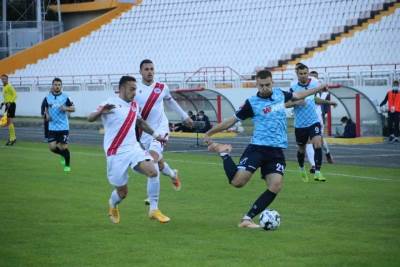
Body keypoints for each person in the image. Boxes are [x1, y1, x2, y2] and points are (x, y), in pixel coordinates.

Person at [204, 70, 329, 228]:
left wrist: (319, 88)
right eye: (261, 85)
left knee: (276, 185)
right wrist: (210, 132)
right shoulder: (252, 103)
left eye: (267, 85)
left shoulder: (280, 94)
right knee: (237, 182)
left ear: (272, 83)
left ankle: (247, 219)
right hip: (257, 148)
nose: (265, 88)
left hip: (276, 151)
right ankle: (223, 152)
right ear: (256, 84)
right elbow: (232, 120)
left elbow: (299, 95)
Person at [88, 76, 168, 224]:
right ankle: (113, 205)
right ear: (123, 88)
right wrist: (100, 112)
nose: (135, 92)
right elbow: (90, 117)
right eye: (132, 89)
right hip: (115, 153)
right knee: (122, 192)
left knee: (153, 170)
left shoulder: (134, 106)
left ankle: (154, 209)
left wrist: (157, 135)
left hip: (133, 148)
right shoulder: (109, 103)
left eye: (136, 89)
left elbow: (140, 122)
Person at [135, 59, 193, 210]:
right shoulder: (134, 89)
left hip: (161, 129)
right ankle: (173, 174)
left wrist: (184, 116)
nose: (149, 71)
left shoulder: (161, 87)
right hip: (145, 132)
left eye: (152, 69)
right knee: (159, 163)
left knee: (152, 159)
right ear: (140, 72)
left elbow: (171, 102)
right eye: (146, 69)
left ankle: (153, 201)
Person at [286, 63, 328, 182]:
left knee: (317, 144)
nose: (303, 76)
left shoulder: (314, 83)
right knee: (301, 150)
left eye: (305, 73)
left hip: (313, 121)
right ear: (297, 74)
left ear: (308, 73)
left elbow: (315, 97)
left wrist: (326, 93)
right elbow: (286, 104)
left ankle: (318, 172)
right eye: (301, 74)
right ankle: (301, 168)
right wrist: (296, 103)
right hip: (300, 124)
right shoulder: (293, 86)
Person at [305, 70, 337, 173]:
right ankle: (313, 165)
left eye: (315, 78)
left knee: (319, 140)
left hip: (318, 119)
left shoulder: (322, 92)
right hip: (306, 118)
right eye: (312, 77)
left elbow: (320, 103)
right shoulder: (305, 89)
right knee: (308, 141)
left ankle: (327, 153)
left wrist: (326, 110)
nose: (313, 80)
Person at [42, 78, 75, 172]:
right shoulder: (47, 97)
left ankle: (67, 166)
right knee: (52, 148)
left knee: (63, 147)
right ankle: (62, 155)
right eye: (55, 84)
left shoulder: (66, 97)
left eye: (59, 85)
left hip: (63, 126)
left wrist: (66, 108)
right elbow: (45, 108)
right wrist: (47, 115)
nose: (57, 86)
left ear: (61, 86)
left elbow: (73, 108)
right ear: (52, 86)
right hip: (52, 126)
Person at [0, 74, 17, 145]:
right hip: (7, 105)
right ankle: (12, 138)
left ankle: (12, 138)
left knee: (9, 122)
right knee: (7, 122)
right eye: (2, 79)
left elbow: (15, 95)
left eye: (4, 79)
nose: (3, 80)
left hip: (11, 105)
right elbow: (7, 97)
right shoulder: (4, 87)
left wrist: (10, 102)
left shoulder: (9, 86)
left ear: (7, 79)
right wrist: (3, 103)